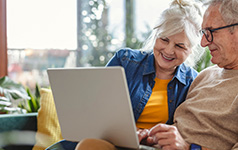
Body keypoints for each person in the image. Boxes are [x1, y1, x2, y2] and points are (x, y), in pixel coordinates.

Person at [46, 0, 204, 149]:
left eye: (180, 46)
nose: (169, 50)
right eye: (164, 40)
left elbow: (186, 133)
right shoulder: (125, 61)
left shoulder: (194, 82)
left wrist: (152, 137)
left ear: (191, 50)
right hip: (110, 143)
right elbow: (97, 111)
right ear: (155, 35)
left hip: (150, 147)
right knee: (89, 145)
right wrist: (129, 133)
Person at [134, 0, 238, 149]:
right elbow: (180, 128)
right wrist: (151, 137)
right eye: (203, 32)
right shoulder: (205, 76)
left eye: (210, 32)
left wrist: (191, 148)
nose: (203, 42)